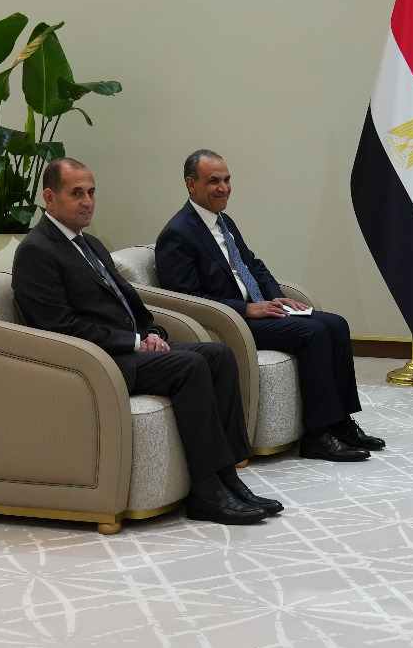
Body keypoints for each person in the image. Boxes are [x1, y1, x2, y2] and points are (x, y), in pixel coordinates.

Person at [12, 158, 281, 525]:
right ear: (50, 197)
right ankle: (206, 491)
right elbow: (59, 326)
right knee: (190, 366)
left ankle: (228, 478)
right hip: (99, 362)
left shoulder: (90, 244)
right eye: (76, 193)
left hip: (126, 349)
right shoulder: (37, 250)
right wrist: (135, 342)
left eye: (91, 192)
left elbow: (127, 303)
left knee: (219, 355)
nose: (88, 201)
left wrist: (151, 332)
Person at [155, 150, 383, 463]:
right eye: (214, 181)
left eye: (227, 180)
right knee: (313, 333)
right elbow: (185, 298)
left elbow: (253, 265)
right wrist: (245, 309)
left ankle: (341, 422)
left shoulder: (223, 222)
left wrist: (275, 296)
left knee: (336, 325)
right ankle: (317, 436)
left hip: (259, 310)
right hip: (231, 322)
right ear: (190, 184)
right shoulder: (177, 233)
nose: (224, 188)